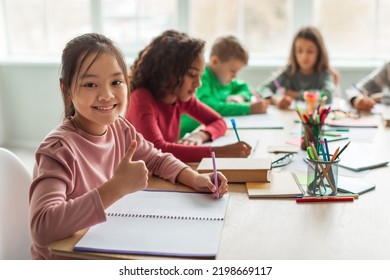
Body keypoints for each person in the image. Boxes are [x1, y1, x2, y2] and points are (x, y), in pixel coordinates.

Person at [28, 33, 228, 260]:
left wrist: (194, 178)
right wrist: (116, 187)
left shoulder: (119, 128)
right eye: (90, 84)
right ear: (66, 90)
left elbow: (156, 158)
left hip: (107, 248)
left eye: (116, 82)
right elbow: (41, 228)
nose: (106, 95)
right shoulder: (58, 149)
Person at [126, 30, 252, 163]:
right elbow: (157, 150)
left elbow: (218, 121)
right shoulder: (141, 98)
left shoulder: (179, 97)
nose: (198, 83)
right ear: (168, 72)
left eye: (200, 75)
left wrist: (201, 135)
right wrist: (219, 152)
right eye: (192, 74)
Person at [180, 35, 269, 137]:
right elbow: (209, 107)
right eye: (232, 71)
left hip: (206, 134)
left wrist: (240, 97)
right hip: (184, 137)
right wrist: (248, 108)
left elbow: (245, 87)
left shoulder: (225, 80)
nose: (235, 75)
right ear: (215, 61)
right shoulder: (201, 78)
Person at [258, 26, 337, 110]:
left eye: (310, 51)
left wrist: (296, 94)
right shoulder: (289, 72)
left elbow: (328, 96)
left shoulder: (324, 73)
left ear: (319, 52)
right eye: (299, 51)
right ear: (294, 52)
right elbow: (263, 88)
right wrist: (276, 100)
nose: (304, 56)